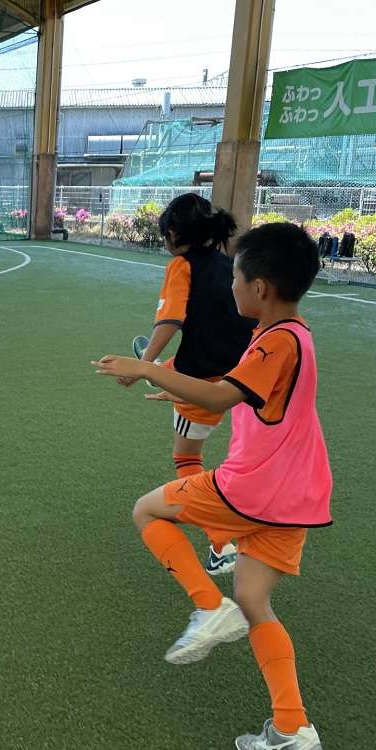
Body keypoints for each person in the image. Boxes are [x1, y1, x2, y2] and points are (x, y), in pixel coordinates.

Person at [92, 222, 330, 750]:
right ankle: (292, 728)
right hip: (295, 497)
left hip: (256, 487)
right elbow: (235, 389)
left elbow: (222, 396)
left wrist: (146, 369)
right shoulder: (290, 334)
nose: (231, 286)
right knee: (253, 599)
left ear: (259, 287)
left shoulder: (276, 343)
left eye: (236, 279)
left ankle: (207, 604)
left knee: (147, 511)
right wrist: (178, 387)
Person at [127, 193, 253, 575]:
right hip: (242, 376)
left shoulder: (181, 266)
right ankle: (163, 370)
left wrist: (141, 367)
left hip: (203, 378)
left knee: (186, 457)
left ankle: (221, 543)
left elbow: (171, 320)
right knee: (171, 369)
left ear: (173, 233)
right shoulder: (231, 265)